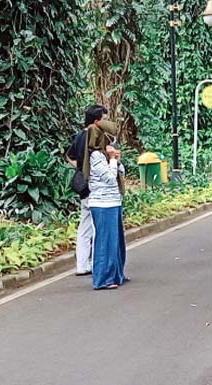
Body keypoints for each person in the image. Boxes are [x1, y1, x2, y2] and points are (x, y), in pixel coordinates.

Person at [84, 120, 127, 290]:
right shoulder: (95, 156)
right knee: (104, 243)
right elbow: (109, 177)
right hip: (102, 204)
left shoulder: (103, 156)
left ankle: (116, 274)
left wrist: (116, 160)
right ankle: (103, 279)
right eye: (110, 138)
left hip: (113, 201)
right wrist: (111, 160)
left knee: (116, 242)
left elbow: (119, 172)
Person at [66, 104, 108, 276]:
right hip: (97, 189)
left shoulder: (79, 136)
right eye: (105, 120)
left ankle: (82, 265)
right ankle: (99, 264)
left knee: (85, 227)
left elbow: (69, 155)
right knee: (99, 228)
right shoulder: (96, 137)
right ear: (96, 122)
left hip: (84, 188)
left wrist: (82, 170)